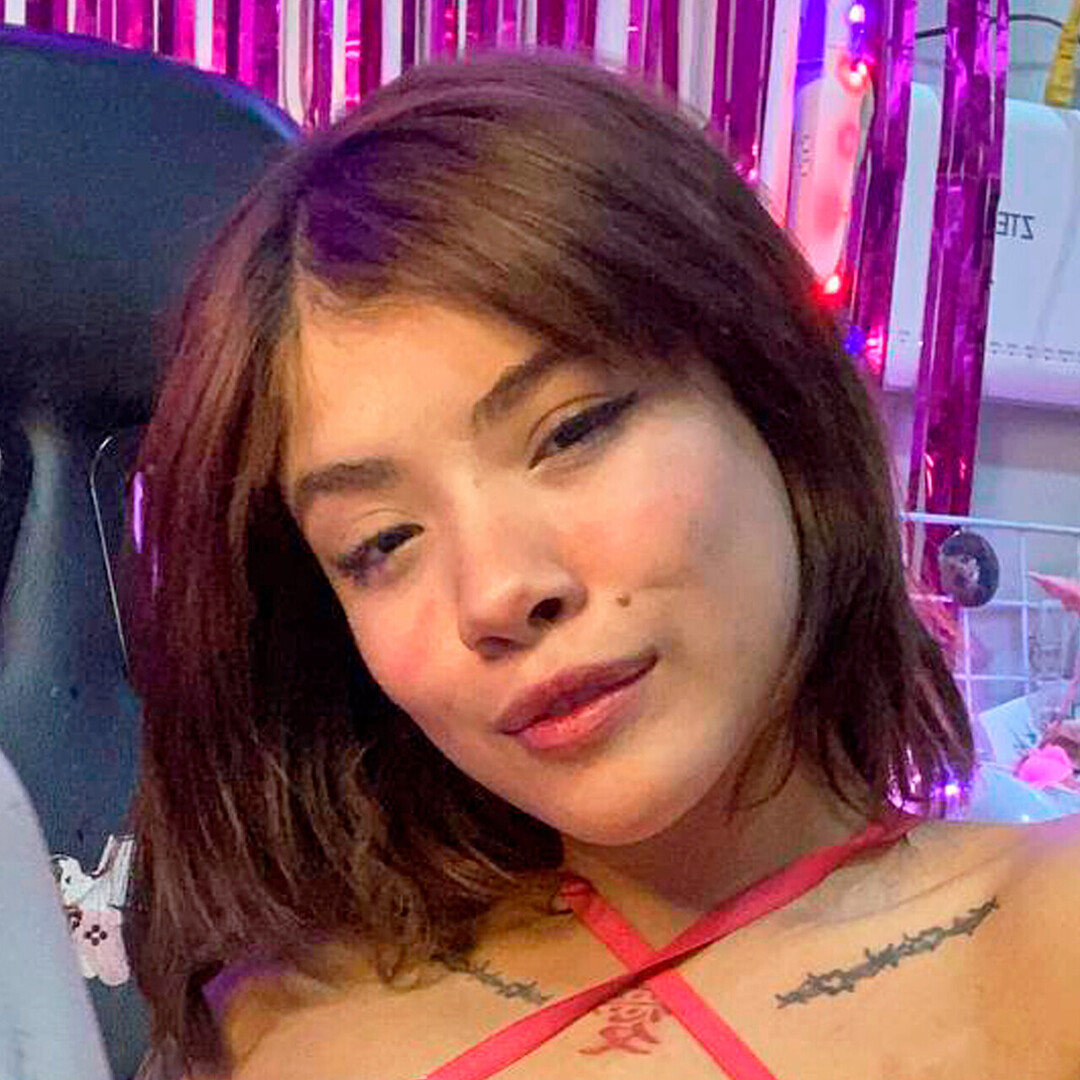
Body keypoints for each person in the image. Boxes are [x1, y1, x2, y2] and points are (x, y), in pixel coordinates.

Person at [123, 51, 1080, 1080]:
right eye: (383, 542)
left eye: (572, 432)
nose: (498, 592)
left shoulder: (1045, 939)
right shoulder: (278, 1024)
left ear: (773, 397)